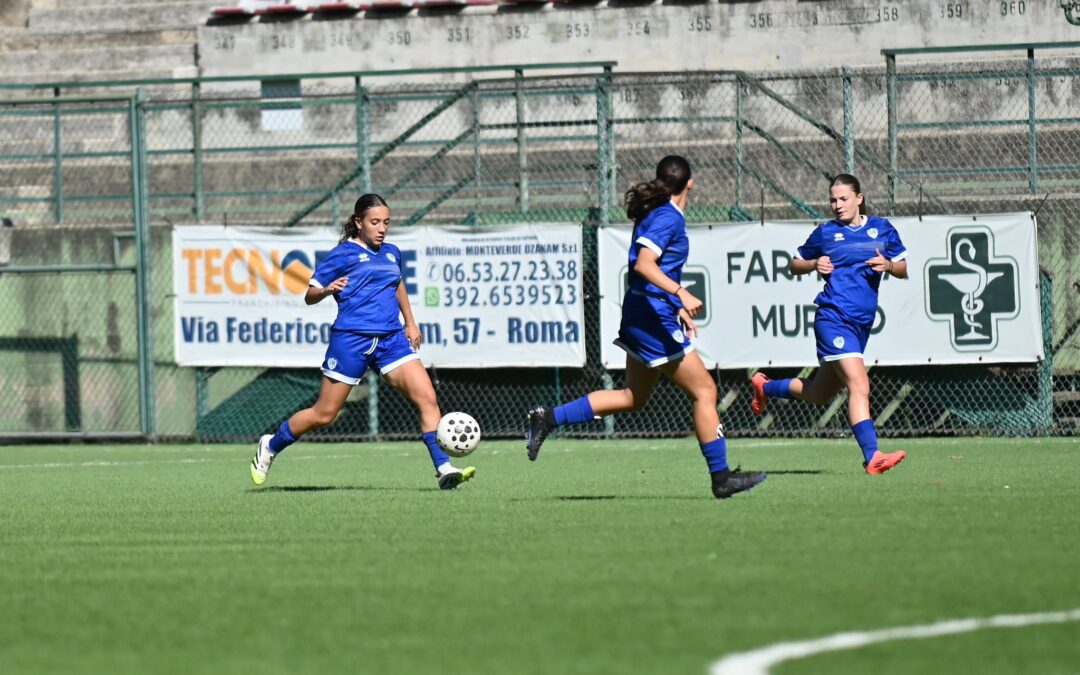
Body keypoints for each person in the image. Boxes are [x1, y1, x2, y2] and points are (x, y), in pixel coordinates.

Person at [525, 156, 766, 499]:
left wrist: (673, 304)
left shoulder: (656, 212)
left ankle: (548, 418)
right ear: (691, 183)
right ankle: (721, 477)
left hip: (645, 313)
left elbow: (651, 269)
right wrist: (679, 293)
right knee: (705, 392)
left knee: (633, 397)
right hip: (652, 321)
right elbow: (644, 264)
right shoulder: (667, 217)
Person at [249, 194, 476, 490]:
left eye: (386, 222)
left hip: (391, 340)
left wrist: (410, 321)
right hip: (351, 340)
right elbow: (309, 295)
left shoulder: (391, 252)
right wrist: (328, 289)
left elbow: (396, 284)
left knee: (427, 397)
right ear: (358, 223)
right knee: (324, 414)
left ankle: (444, 469)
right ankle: (271, 445)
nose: (382, 228)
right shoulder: (343, 254)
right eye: (374, 222)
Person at [750, 173, 908, 475]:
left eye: (843, 199)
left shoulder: (882, 229)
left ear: (859, 199)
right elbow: (794, 263)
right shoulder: (826, 233)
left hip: (861, 325)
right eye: (833, 200)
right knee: (859, 384)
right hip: (833, 319)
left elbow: (903, 268)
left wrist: (888, 266)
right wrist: (813, 264)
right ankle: (872, 456)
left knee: (819, 394)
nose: (837, 205)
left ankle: (765, 386)